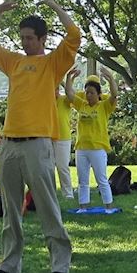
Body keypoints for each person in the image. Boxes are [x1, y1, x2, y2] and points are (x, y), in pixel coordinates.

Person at [0, 0, 80, 273]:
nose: (25, 43)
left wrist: (57, 8)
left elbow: (74, 36)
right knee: (11, 208)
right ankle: (9, 264)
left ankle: (60, 265)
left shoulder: (52, 63)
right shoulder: (14, 62)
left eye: (30, 38)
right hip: (10, 143)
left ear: (43, 39)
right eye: (22, 38)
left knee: (47, 205)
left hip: (38, 143)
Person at [69, 69, 118, 211]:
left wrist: (110, 79)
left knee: (101, 180)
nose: (88, 95)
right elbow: (69, 94)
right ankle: (83, 207)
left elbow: (114, 95)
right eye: (87, 92)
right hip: (81, 148)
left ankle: (108, 207)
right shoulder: (82, 105)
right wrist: (70, 78)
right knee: (82, 181)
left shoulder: (104, 106)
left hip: (97, 148)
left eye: (91, 92)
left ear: (98, 94)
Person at [53, 70, 77, 199]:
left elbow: (70, 93)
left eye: (56, 89)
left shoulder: (64, 100)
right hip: (48, 137)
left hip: (63, 138)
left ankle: (68, 193)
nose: (54, 92)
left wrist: (66, 80)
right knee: (47, 168)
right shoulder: (45, 101)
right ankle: (50, 193)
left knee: (62, 167)